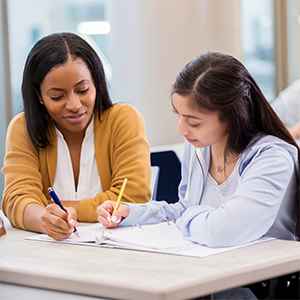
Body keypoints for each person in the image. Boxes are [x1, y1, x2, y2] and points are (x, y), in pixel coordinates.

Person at [97, 52, 300, 300]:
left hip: (256, 286)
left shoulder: (271, 157)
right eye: (178, 115)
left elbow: (224, 230)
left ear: (233, 116)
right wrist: (133, 213)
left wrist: (190, 217)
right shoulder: (200, 147)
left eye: (193, 122)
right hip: (207, 274)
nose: (181, 129)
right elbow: (188, 209)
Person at [1, 32, 151, 241]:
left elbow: (133, 197)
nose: (74, 105)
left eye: (82, 90)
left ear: (96, 82)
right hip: (45, 254)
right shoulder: (23, 127)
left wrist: (64, 208)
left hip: (115, 252)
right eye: (57, 96)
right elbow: (17, 199)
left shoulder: (123, 120)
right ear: (39, 95)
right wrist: (46, 221)